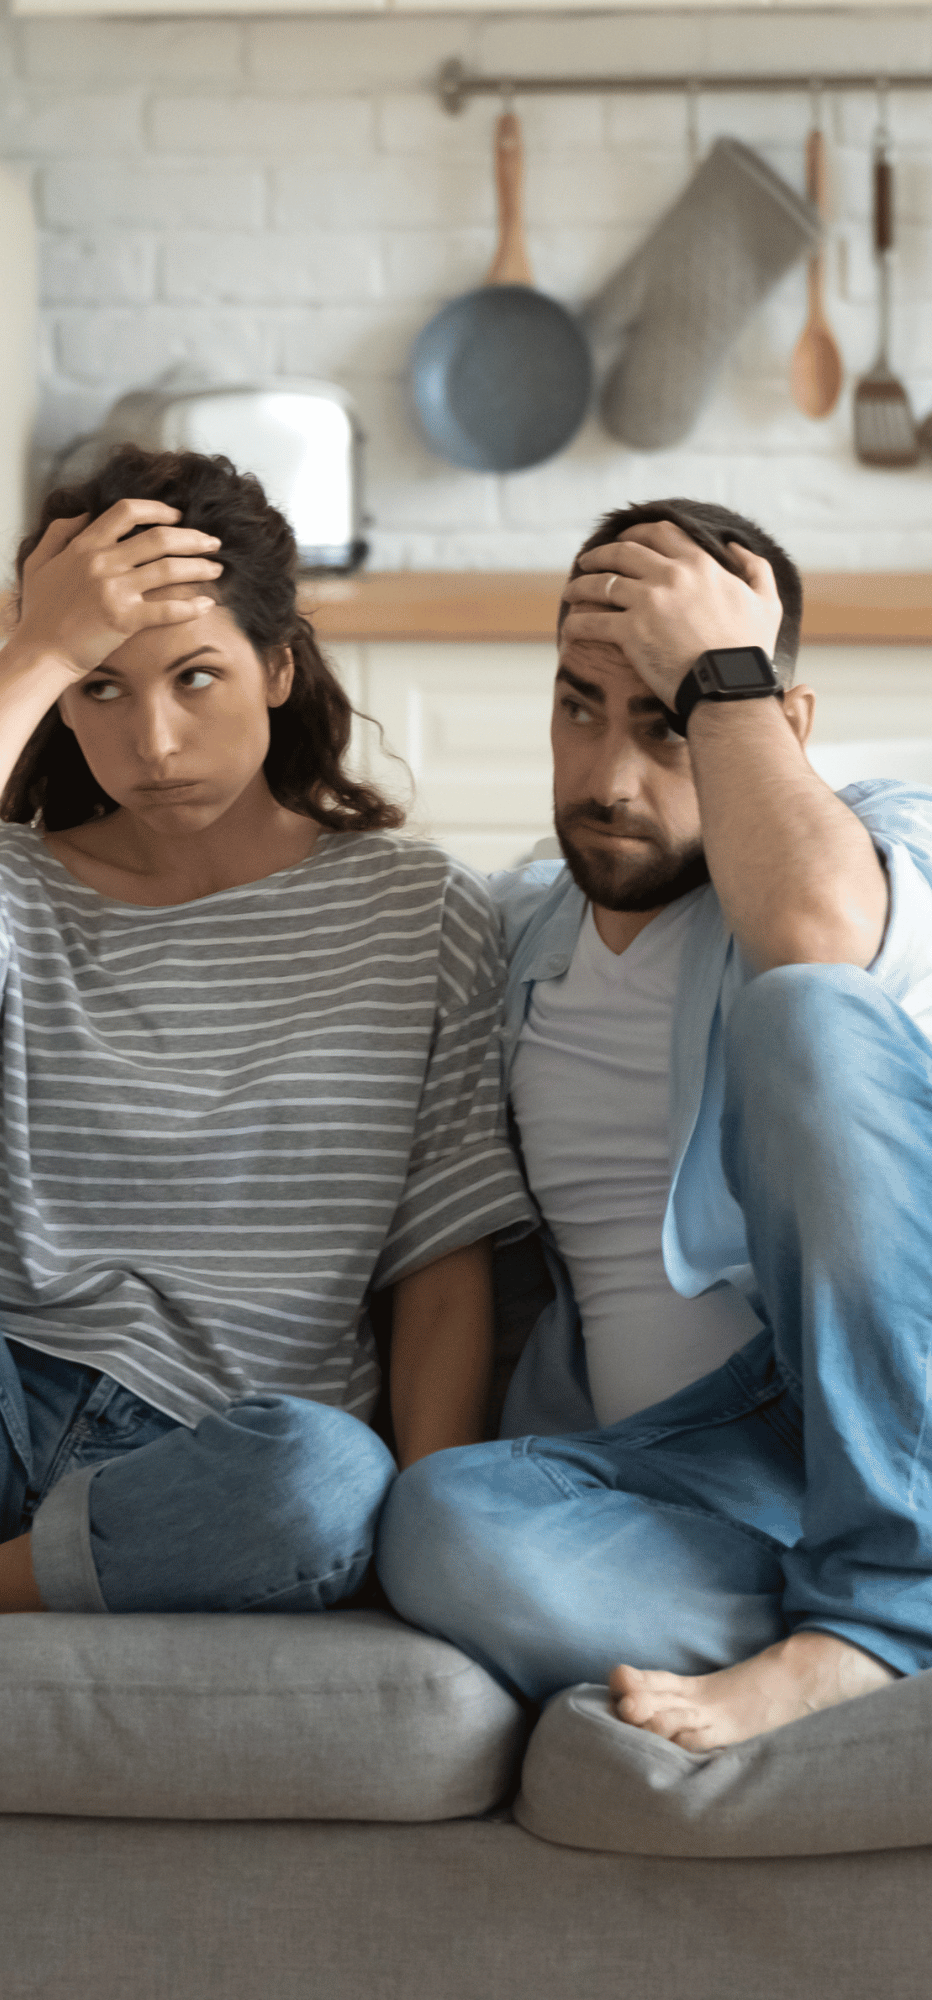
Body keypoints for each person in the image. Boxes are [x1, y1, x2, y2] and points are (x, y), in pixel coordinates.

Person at [0, 447, 536, 1678]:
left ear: (279, 667)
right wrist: (36, 648)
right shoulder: (4, 885)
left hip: (203, 1472)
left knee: (333, 1478)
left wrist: (436, 1547)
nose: (151, 740)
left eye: (196, 676)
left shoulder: (419, 910)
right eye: (100, 688)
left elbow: (438, 1264)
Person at [376, 499, 932, 1751]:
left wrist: (720, 675)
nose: (609, 780)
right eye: (579, 709)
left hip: (866, 1423)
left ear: (779, 721)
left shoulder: (869, 847)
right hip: (672, 1477)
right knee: (438, 1520)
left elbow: (813, 934)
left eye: (665, 723)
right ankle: (837, 1625)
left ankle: (883, 1603)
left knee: (804, 1010)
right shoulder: (505, 934)